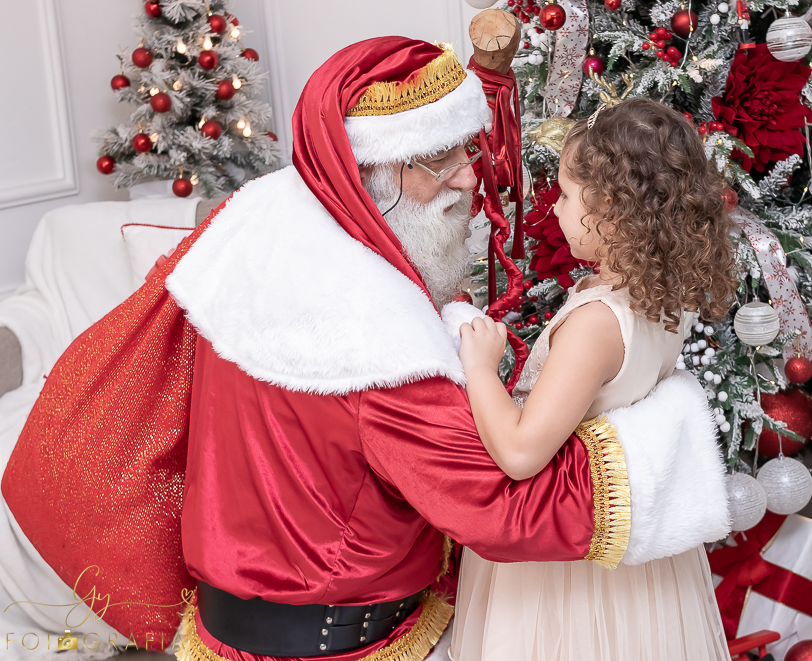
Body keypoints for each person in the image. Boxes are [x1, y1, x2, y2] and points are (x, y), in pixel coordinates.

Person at [153, 40, 730, 661]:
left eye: (464, 147)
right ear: (371, 169)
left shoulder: (259, 224)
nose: (468, 175)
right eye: (436, 158)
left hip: (241, 608)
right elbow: (508, 507)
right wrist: (671, 437)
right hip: (336, 640)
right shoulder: (371, 338)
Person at [451, 99, 738, 661]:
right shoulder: (660, 297)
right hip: (633, 573)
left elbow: (519, 452)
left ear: (607, 205)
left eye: (563, 193)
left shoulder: (596, 323)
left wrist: (480, 368)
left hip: (566, 567)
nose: (554, 208)